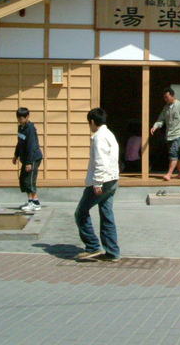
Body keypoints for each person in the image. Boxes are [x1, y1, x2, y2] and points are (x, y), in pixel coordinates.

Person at [74, 108, 121, 262]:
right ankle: (112, 252)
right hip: (113, 179)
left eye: (89, 123)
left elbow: (100, 161)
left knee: (81, 212)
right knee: (107, 214)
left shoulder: (99, 137)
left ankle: (93, 246)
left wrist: (97, 182)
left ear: (92, 122)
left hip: (102, 181)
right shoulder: (110, 135)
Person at [150, 87, 180, 181]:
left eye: (167, 97)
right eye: (164, 98)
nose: (165, 99)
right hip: (169, 135)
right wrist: (155, 126)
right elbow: (161, 119)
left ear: (172, 96)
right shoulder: (166, 107)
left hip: (179, 134)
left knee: (173, 152)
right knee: (177, 154)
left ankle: (169, 173)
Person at [12, 107, 43, 212]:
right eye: (18, 118)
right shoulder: (20, 128)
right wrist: (16, 155)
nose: (20, 120)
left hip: (33, 158)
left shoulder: (30, 128)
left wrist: (29, 162)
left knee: (30, 181)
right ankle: (31, 201)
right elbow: (19, 143)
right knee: (23, 180)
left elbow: (31, 146)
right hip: (25, 159)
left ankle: (35, 203)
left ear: (27, 117)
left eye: (22, 118)